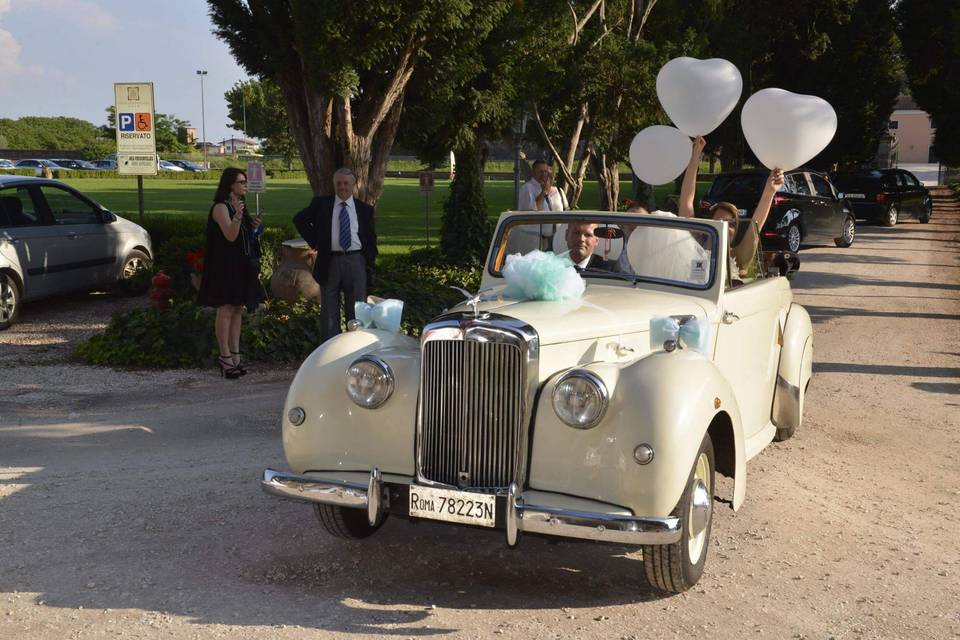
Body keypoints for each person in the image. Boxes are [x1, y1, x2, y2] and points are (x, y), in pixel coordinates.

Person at [678, 136, 784, 279]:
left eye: (731, 224)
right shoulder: (695, 245)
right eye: (720, 222)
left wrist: (770, 190)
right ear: (709, 225)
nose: (725, 227)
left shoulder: (738, 256)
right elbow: (686, 202)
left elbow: (756, 225)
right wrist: (695, 157)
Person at [293, 167, 378, 342]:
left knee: (356, 308)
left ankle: (354, 344)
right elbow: (299, 219)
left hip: (356, 260)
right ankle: (329, 347)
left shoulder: (364, 209)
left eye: (346, 183)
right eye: (338, 183)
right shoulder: (322, 204)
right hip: (329, 260)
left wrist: (369, 260)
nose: (342, 187)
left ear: (353, 185)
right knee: (329, 310)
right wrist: (316, 242)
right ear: (334, 184)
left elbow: (370, 237)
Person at [197, 167, 265, 378]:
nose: (245, 185)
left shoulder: (240, 208)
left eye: (245, 181)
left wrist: (253, 227)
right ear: (230, 185)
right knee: (225, 310)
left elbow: (244, 239)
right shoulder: (220, 208)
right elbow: (229, 235)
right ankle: (225, 357)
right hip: (224, 267)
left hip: (240, 265)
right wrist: (237, 216)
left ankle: (235, 355)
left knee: (237, 310)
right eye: (241, 182)